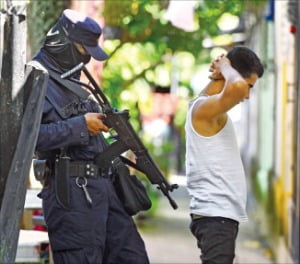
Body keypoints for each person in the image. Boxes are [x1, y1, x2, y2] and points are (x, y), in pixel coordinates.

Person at [29, 9, 149, 264]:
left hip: (104, 190)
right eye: (83, 51)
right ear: (62, 42)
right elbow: (27, 139)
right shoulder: (36, 77)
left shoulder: (75, 80)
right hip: (72, 198)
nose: (86, 60)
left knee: (133, 257)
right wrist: (80, 126)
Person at [185, 46, 264, 264]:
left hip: (219, 219)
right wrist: (225, 66)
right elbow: (237, 87)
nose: (247, 95)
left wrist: (224, 69)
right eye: (249, 86)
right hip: (215, 218)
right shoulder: (203, 110)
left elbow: (236, 86)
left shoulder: (208, 107)